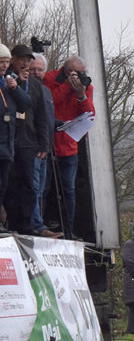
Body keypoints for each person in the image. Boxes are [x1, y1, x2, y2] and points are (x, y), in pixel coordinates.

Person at [42, 56, 94, 240]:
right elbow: (49, 102)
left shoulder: (86, 86)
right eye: (77, 73)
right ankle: (43, 224)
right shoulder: (50, 78)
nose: (80, 76)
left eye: (82, 73)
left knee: (68, 189)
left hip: (69, 144)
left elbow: (89, 113)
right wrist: (67, 87)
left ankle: (68, 228)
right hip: (49, 141)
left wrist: (81, 94)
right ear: (67, 71)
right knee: (45, 186)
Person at [5, 44, 52, 236]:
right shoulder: (6, 79)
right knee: (10, 183)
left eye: (28, 60)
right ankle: (12, 221)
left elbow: (41, 115)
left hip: (28, 140)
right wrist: (15, 83)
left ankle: (26, 224)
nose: (25, 64)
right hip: (9, 138)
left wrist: (44, 142)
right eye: (22, 60)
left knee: (29, 185)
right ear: (13, 60)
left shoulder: (34, 84)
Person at [0, 44, 31, 233]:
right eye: (0, 62)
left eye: (6, 62)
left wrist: (15, 88)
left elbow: (25, 104)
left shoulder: (8, 82)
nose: (4, 66)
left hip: (7, 145)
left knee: (3, 186)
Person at [28, 54, 58, 238]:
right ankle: (36, 225)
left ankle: (39, 222)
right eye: (33, 69)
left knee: (41, 189)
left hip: (45, 148)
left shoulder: (46, 91)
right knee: (33, 187)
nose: (36, 72)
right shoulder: (27, 89)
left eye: (40, 70)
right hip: (33, 146)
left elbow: (48, 119)